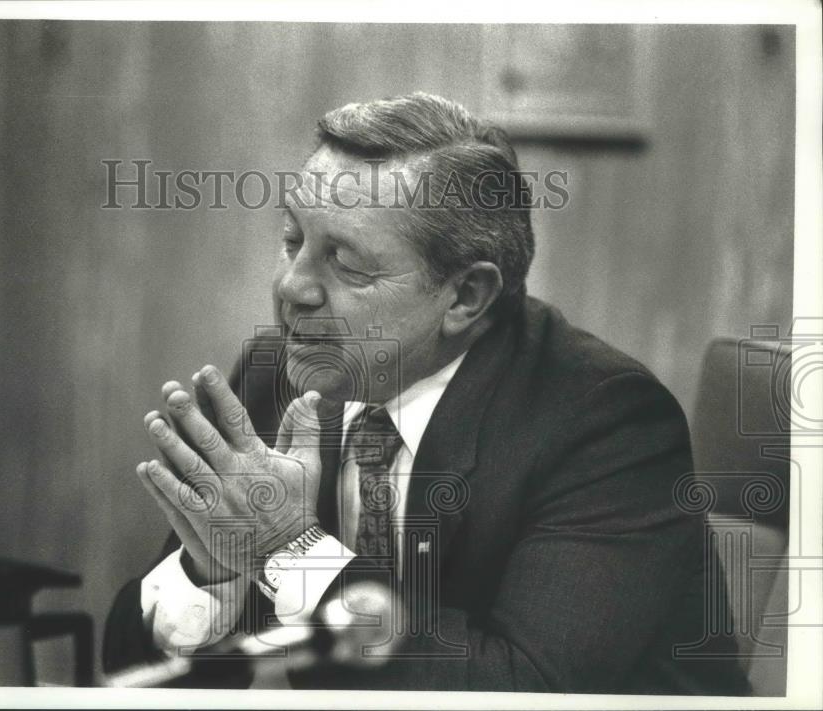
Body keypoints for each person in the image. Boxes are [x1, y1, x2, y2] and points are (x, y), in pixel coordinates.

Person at [103, 93, 750, 693]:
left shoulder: (606, 422)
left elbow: (524, 691)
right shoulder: (279, 371)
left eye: (347, 264)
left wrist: (288, 548)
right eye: (292, 240)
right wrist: (210, 574)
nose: (291, 288)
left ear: (466, 295)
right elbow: (134, 676)